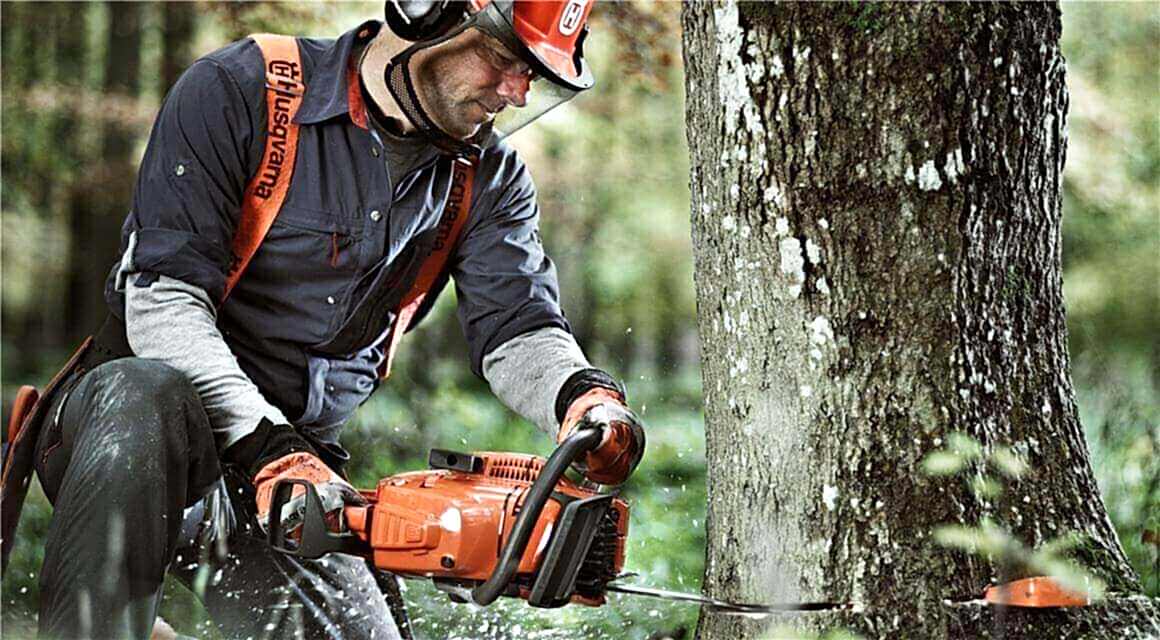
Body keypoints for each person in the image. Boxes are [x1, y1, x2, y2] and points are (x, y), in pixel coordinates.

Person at [29, 1, 645, 638]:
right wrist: (263, 444)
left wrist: (579, 398)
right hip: (137, 435)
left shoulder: (488, 179)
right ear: (426, 13)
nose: (516, 92)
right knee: (143, 393)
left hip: (303, 475)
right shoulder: (241, 92)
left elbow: (516, 325)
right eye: (502, 59)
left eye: (533, 74)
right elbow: (163, 299)